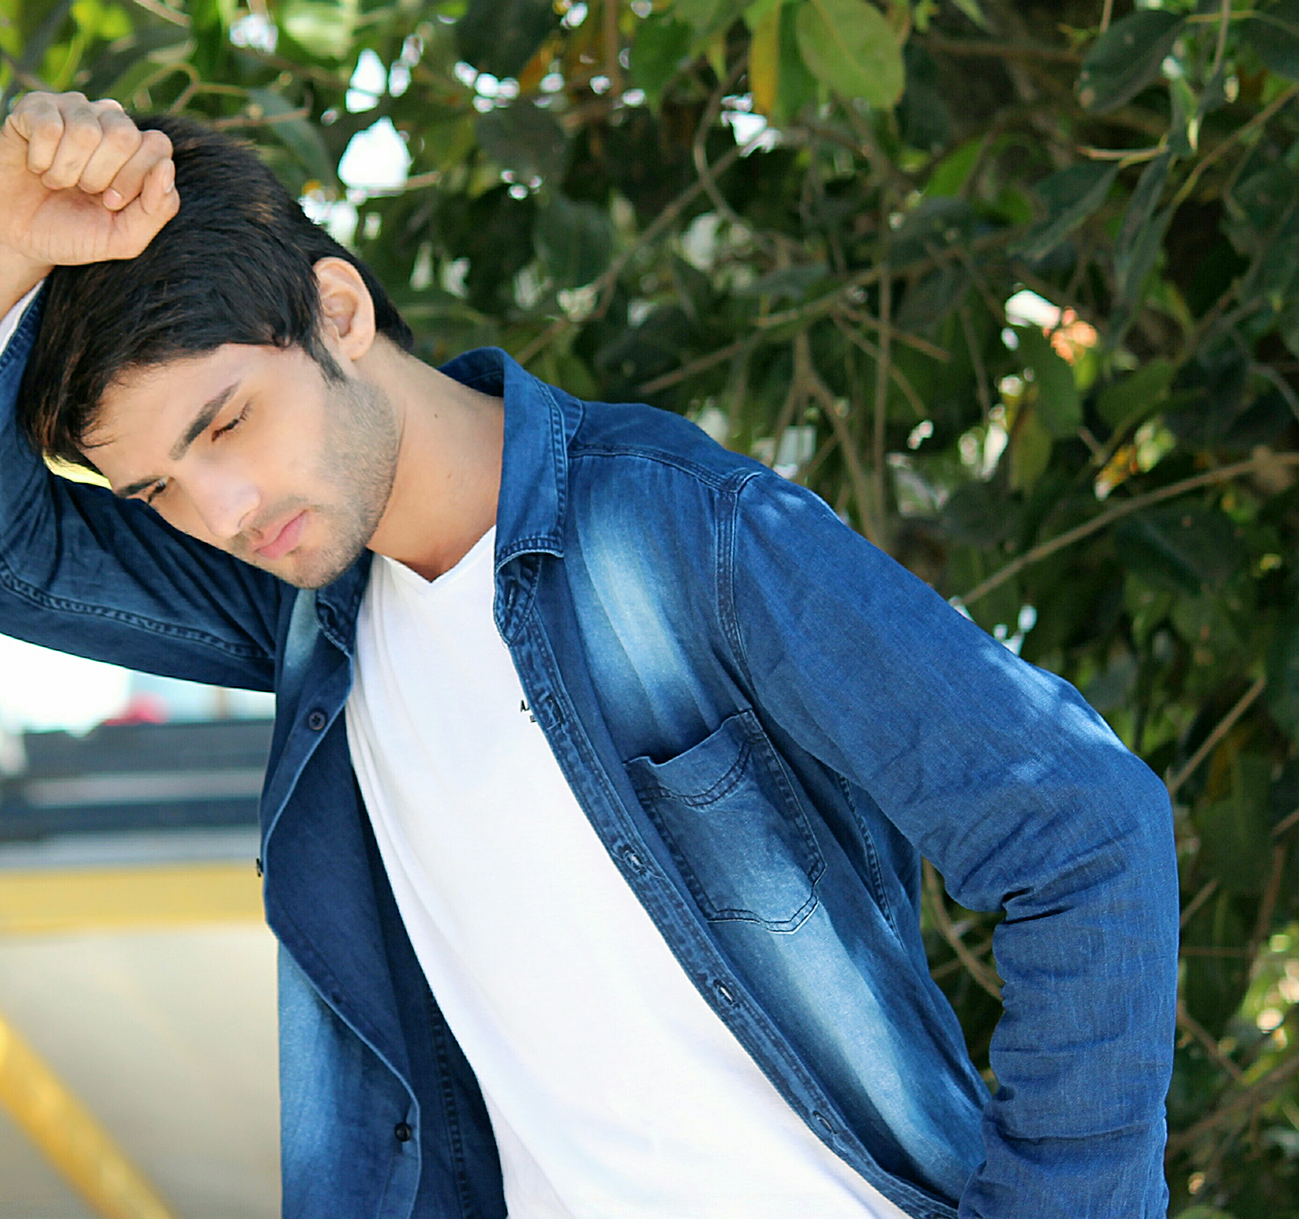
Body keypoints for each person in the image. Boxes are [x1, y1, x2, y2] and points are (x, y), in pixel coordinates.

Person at [0, 92, 1179, 1219]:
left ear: (340, 313)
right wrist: (8, 253)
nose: (222, 508)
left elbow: (1081, 828)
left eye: (228, 422)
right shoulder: (312, 614)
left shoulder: (680, 532)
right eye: (158, 489)